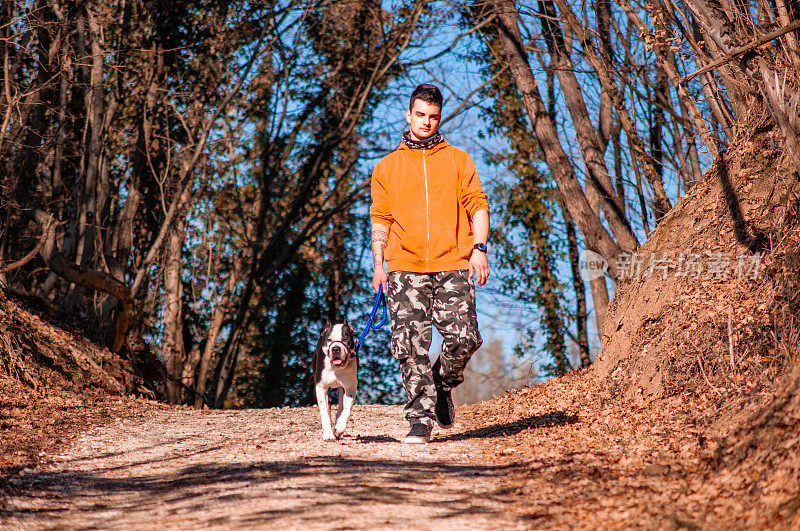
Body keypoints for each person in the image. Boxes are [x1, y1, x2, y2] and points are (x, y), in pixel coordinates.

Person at [370, 83, 490, 444]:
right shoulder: (387, 167)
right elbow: (381, 219)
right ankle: (419, 417)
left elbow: (478, 205)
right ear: (409, 115)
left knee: (466, 338)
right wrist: (379, 264)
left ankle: (442, 382)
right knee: (409, 345)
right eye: (420, 114)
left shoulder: (458, 160)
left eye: (433, 116)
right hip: (404, 266)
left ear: (440, 118)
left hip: (453, 263)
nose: (426, 121)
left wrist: (479, 247)